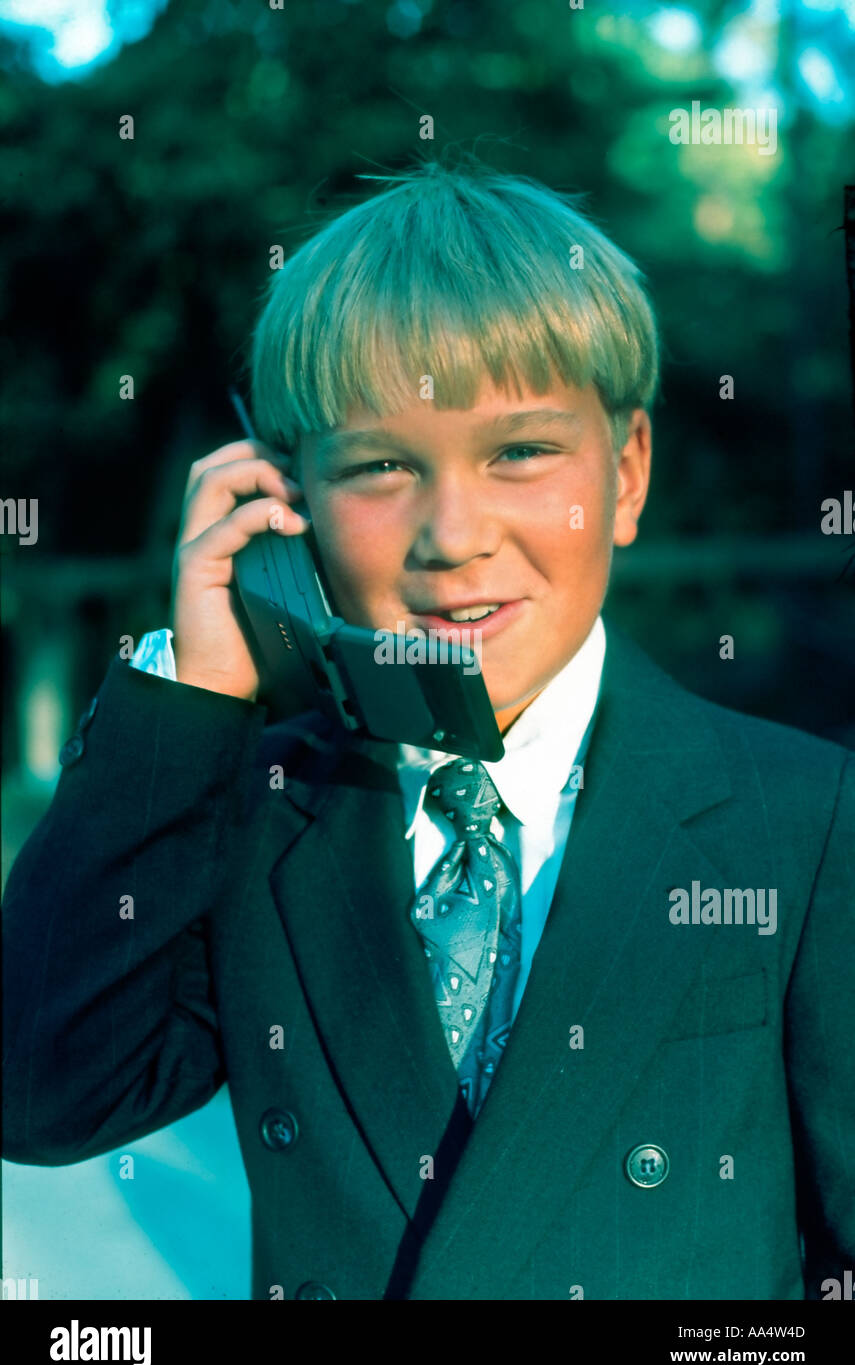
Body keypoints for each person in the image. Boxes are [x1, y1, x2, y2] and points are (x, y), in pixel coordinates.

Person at [3, 157, 853, 1301]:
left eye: (519, 453)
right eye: (382, 466)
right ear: (283, 506)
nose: (453, 535)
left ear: (629, 472)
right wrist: (190, 696)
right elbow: (42, 1089)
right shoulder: (257, 821)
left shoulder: (802, 821)